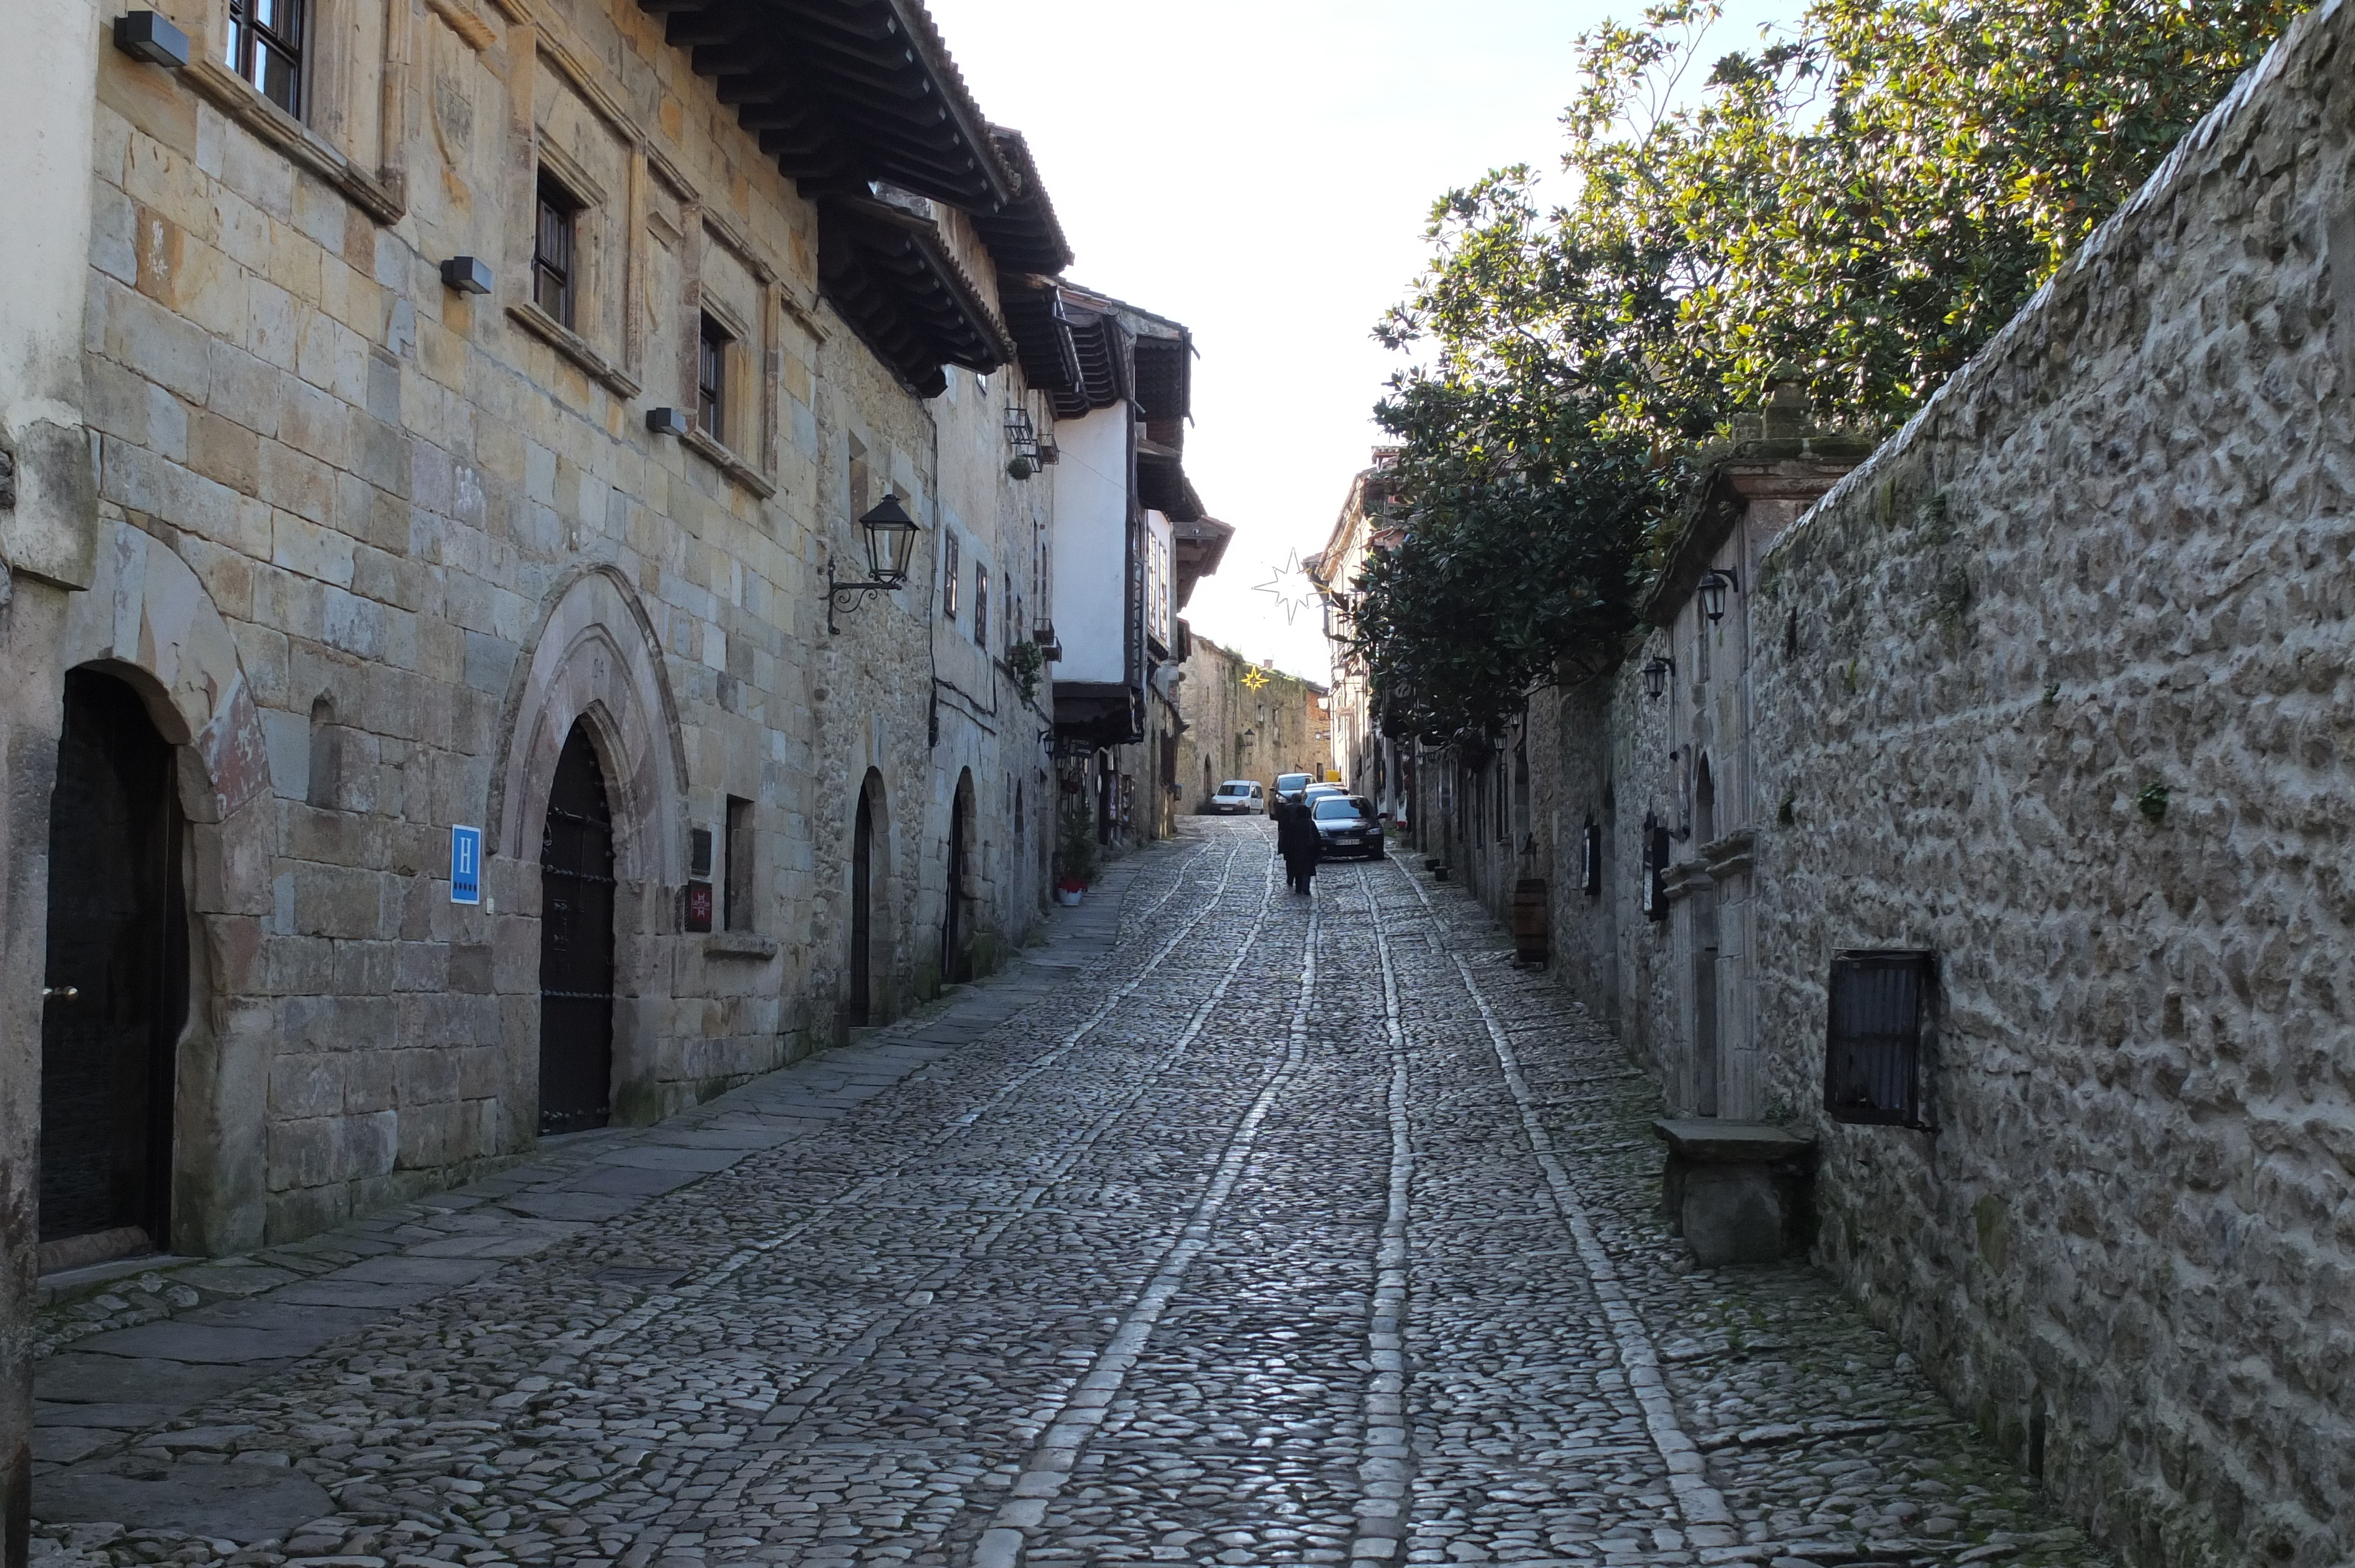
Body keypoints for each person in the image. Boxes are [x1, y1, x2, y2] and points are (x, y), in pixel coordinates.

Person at [1275, 795, 1321, 895]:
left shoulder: (1292, 823)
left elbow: (1285, 832)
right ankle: (1306, 888)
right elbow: (1317, 838)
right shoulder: (1310, 824)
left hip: (1295, 850)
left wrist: (1285, 848)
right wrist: (1318, 852)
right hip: (1308, 850)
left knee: (1296, 868)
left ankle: (1297, 886)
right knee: (1307, 869)